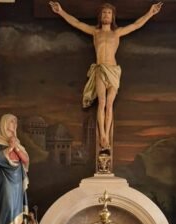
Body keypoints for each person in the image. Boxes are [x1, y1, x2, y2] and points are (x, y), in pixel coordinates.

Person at [49, 1, 163, 150]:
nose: (106, 15)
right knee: (102, 102)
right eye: (104, 13)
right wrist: (60, 11)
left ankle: (107, 134)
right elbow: (76, 23)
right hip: (100, 69)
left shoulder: (117, 33)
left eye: (109, 13)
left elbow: (136, 25)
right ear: (100, 16)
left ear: (112, 17)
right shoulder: (95, 32)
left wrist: (150, 12)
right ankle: (102, 134)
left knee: (109, 105)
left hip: (113, 70)